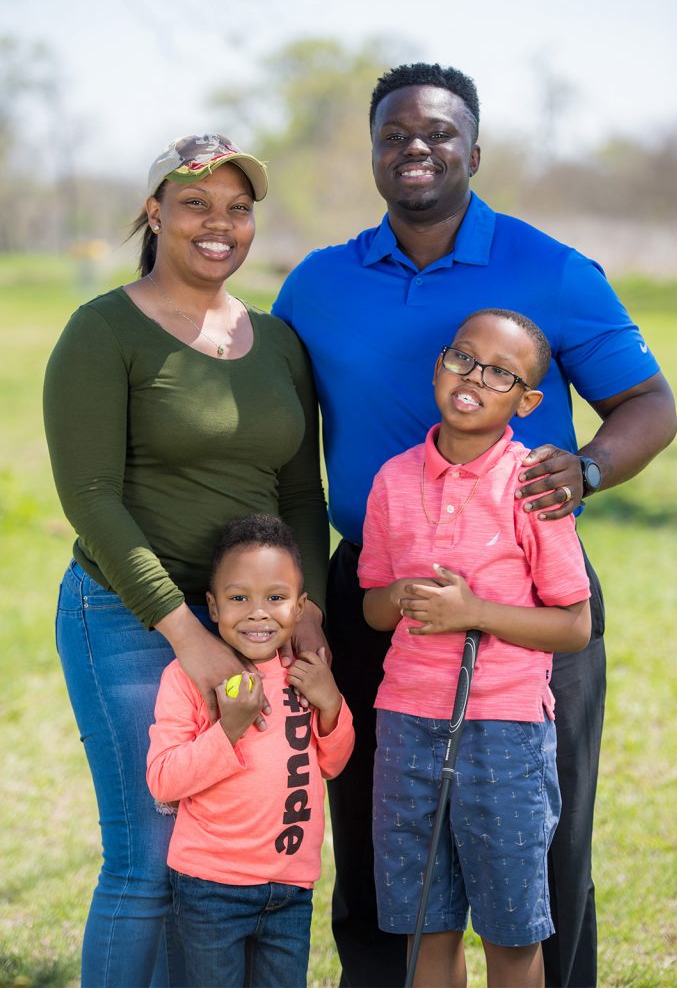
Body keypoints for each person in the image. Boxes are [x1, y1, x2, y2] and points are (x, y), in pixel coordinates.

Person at [272, 64, 677, 988]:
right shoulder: (317, 284)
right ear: (373, 152)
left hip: (526, 595)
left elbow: (649, 404)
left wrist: (586, 468)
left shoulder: (553, 270)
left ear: (474, 151)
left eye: (438, 133)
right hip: (374, 593)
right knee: (381, 833)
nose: (415, 147)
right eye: (394, 134)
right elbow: (282, 439)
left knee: (537, 841)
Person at [43, 134, 329, 987]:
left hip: (256, 624)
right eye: (197, 203)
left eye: (238, 207)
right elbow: (91, 497)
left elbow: (300, 495)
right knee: (151, 856)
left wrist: (303, 615)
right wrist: (186, 633)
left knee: (218, 860)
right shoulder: (102, 331)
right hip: (130, 619)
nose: (220, 224)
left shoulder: (277, 341)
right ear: (153, 211)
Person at [359, 308, 591, 988]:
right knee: (423, 918)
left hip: (505, 732)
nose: (473, 380)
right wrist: (402, 593)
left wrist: (474, 613)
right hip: (405, 723)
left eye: (499, 373)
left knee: (510, 924)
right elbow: (372, 607)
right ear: (439, 364)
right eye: (462, 358)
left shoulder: (532, 486)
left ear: (526, 401)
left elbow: (574, 625)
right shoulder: (392, 481)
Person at [147, 514, 354, 988]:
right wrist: (229, 730)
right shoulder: (188, 680)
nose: (258, 613)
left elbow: (333, 762)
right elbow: (164, 778)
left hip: (291, 886)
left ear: (300, 608)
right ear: (213, 607)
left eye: (275, 598)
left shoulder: (306, 672)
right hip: (210, 888)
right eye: (239, 598)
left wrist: (331, 706)